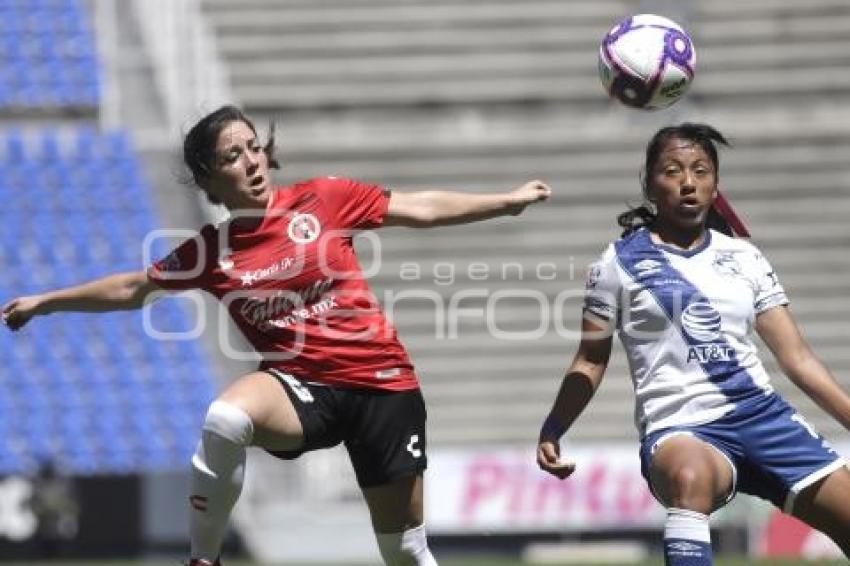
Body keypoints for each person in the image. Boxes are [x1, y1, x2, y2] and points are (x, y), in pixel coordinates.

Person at [2, 105, 552, 566]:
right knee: (225, 418)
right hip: (301, 387)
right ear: (209, 179)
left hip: (382, 387)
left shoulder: (324, 199)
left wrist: (506, 201)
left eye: (252, 146)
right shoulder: (210, 250)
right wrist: (45, 303)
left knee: (405, 553)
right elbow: (132, 288)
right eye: (231, 156)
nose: (251, 161)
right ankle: (203, 559)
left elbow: (419, 207)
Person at [535, 123, 850, 564]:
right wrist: (553, 427)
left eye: (701, 171)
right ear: (649, 184)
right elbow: (590, 360)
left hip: (762, 416)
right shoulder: (617, 265)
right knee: (690, 477)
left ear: (715, 185)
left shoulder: (745, 258)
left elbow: (797, 359)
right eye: (673, 171)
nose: (688, 182)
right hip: (681, 426)